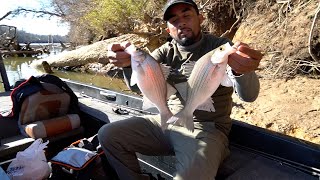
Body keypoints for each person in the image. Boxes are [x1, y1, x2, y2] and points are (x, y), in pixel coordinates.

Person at [98, 0, 263, 179]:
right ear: (168, 29)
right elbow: (139, 88)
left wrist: (242, 71)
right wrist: (127, 66)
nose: (181, 22)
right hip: (168, 120)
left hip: (206, 129)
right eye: (174, 20)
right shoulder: (163, 53)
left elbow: (249, 96)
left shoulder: (221, 47)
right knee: (108, 134)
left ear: (200, 19)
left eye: (186, 15)